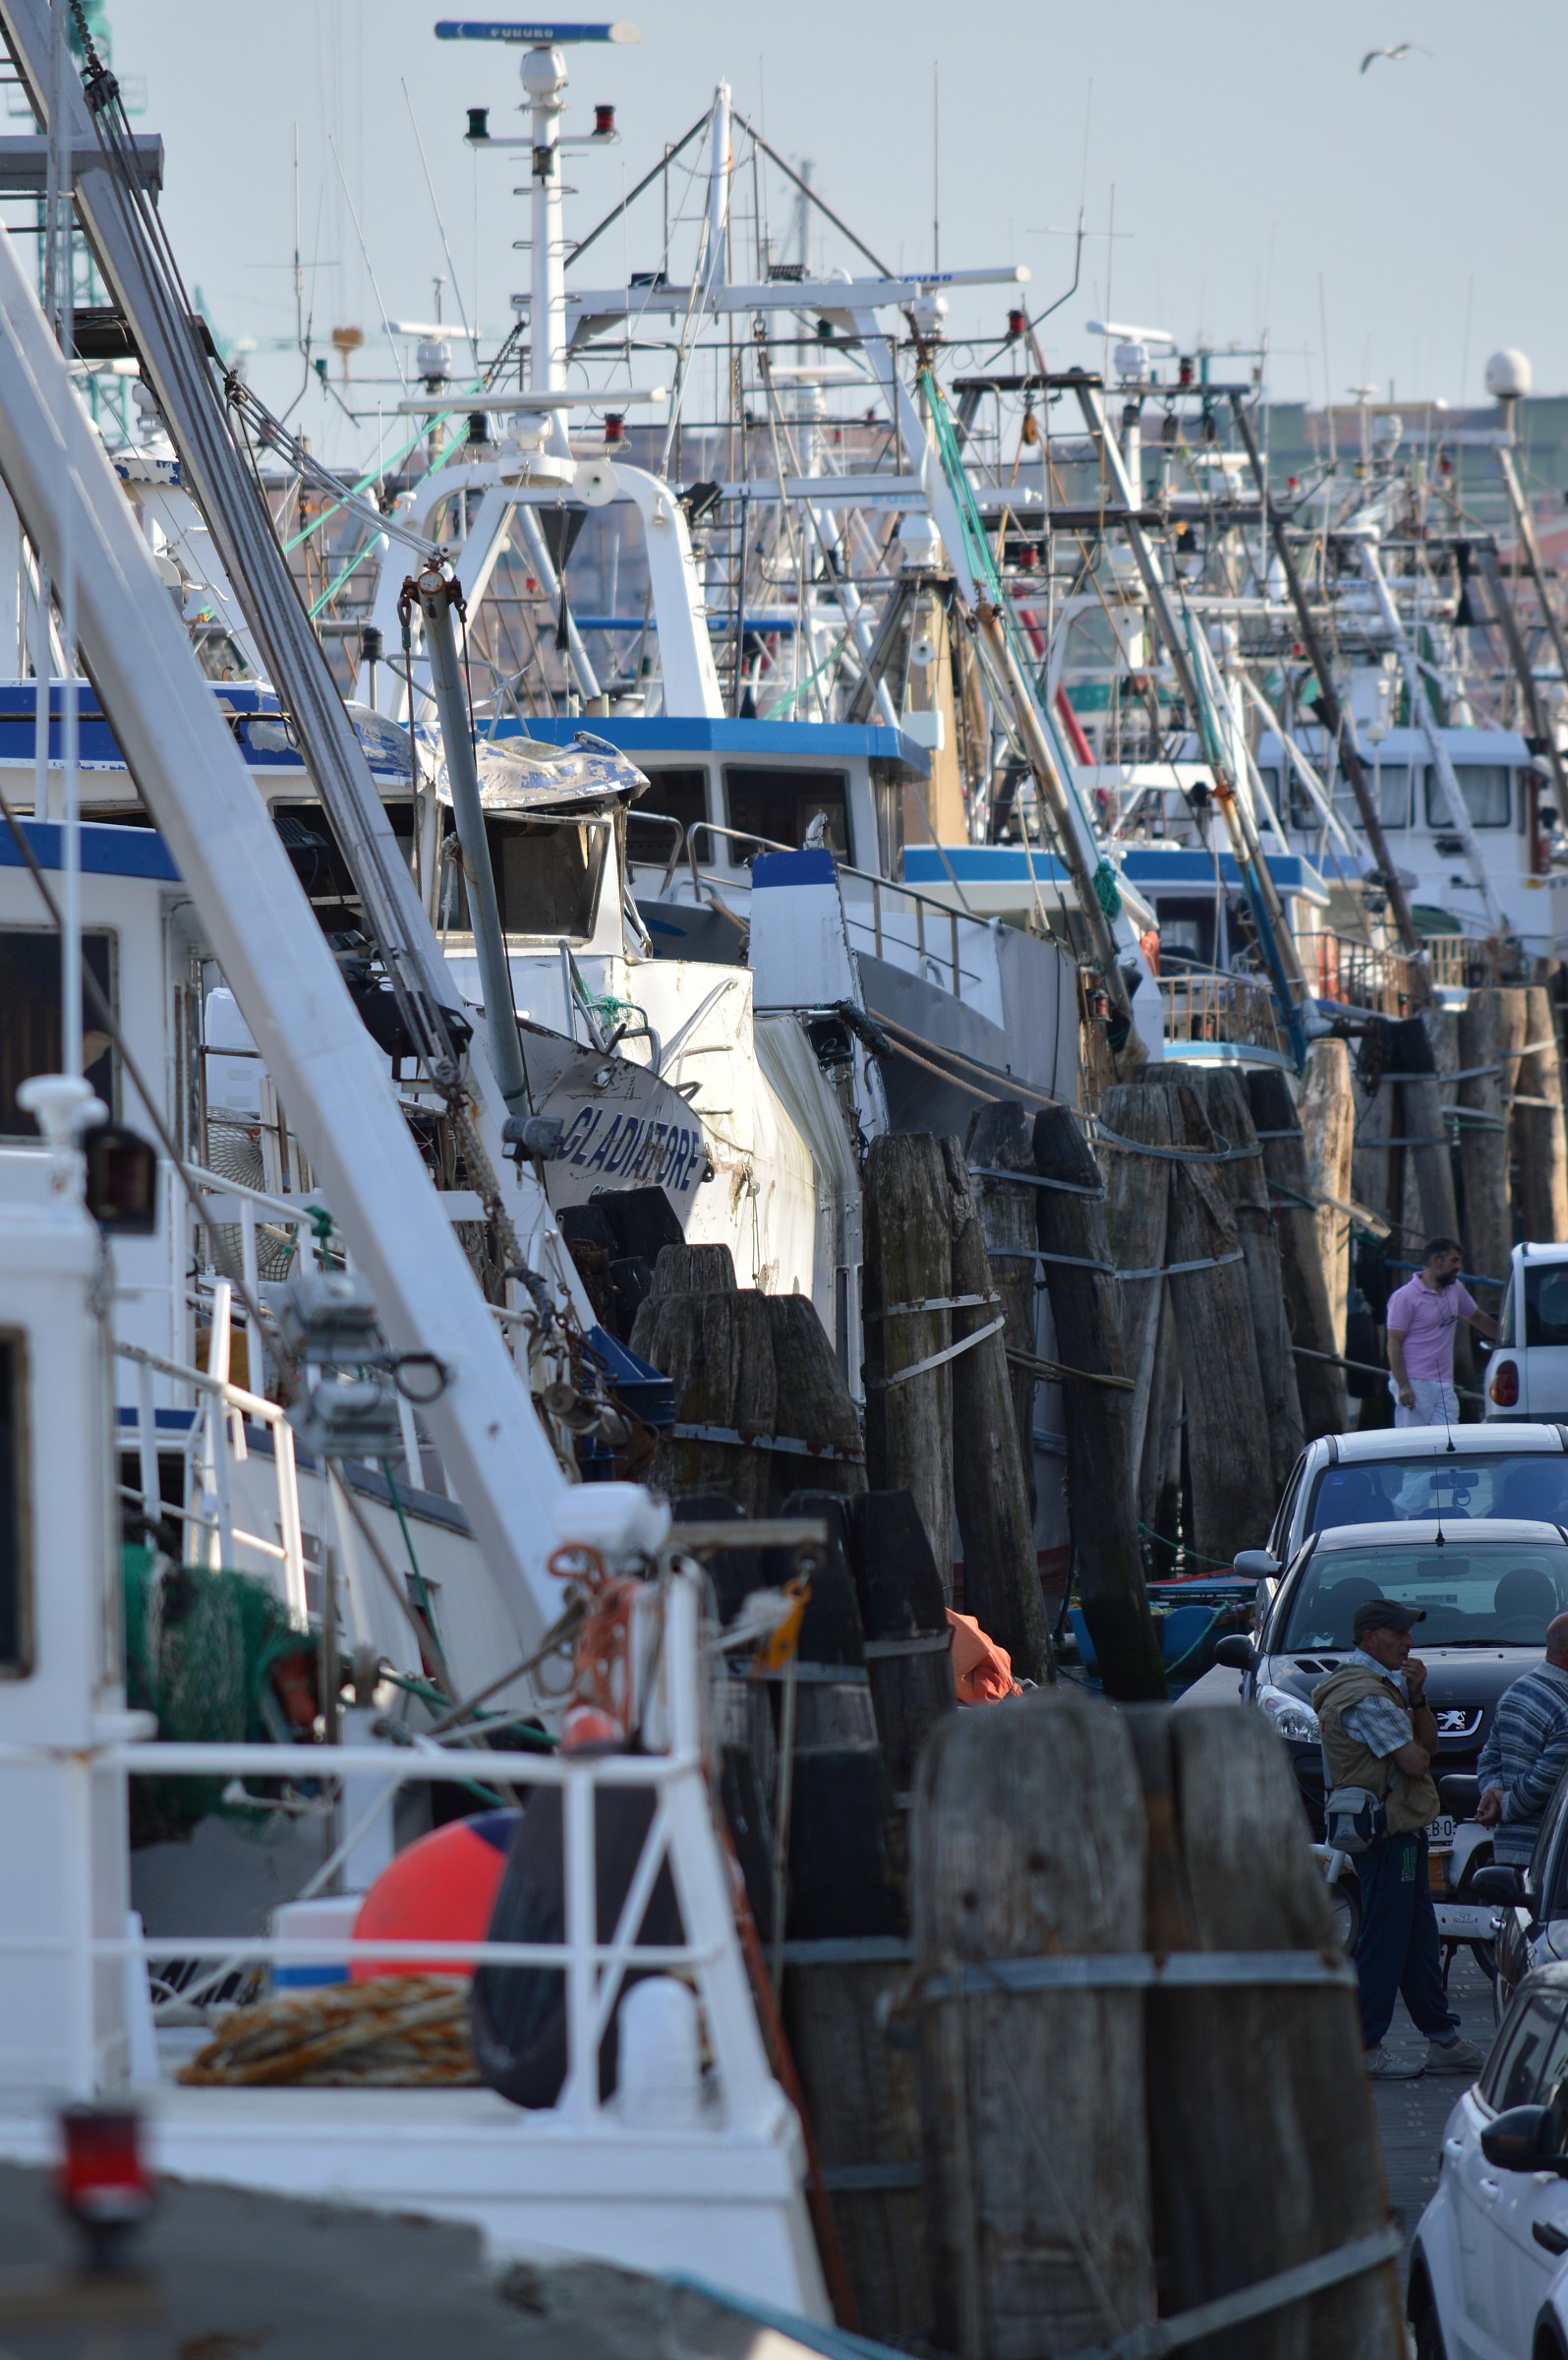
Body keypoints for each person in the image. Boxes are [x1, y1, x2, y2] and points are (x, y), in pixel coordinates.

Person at [1313, 1600, 1485, 2081]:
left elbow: (1428, 1745)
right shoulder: (1363, 1695)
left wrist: (1417, 1696)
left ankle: (1443, 2039)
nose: (1410, 1643)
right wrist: (1408, 1712)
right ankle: (1364, 2044)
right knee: (1386, 1940)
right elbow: (1415, 1763)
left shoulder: (1386, 1687)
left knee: (1418, 1938)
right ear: (1371, 1638)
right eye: (1400, 1634)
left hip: (1402, 1831)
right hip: (1386, 1835)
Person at [1477, 1612, 1568, 1865]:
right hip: (1548, 1861)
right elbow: (1546, 1781)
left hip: (1508, 1852)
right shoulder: (1564, 1708)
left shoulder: (1517, 1690)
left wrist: (1491, 1792)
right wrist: (1502, 1807)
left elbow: (1488, 1757)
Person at [1385, 1237, 1496, 1427]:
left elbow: (1476, 1317)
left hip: (1444, 1382)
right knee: (1414, 1444)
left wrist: (1508, 1339)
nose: (1458, 1266)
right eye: (1454, 1260)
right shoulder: (1405, 1297)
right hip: (1414, 1382)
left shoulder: (1455, 1288)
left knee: (1447, 1442)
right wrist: (1403, 1385)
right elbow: (1393, 1342)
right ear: (1436, 1260)